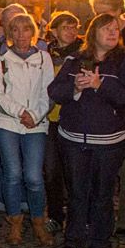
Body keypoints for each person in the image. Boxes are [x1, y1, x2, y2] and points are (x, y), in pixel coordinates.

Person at [48, 13, 125, 248]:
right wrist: (75, 88)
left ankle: (100, 242)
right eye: (106, 29)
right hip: (74, 138)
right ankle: (74, 239)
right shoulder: (76, 58)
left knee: (103, 192)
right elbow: (55, 91)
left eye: (115, 30)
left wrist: (101, 85)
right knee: (77, 191)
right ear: (93, 33)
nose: (112, 33)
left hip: (110, 140)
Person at [0, 13, 55, 246]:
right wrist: (21, 113)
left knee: (34, 176)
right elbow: (0, 95)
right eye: (15, 30)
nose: (21, 35)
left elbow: (48, 91)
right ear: (9, 34)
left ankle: (38, 221)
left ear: (33, 32)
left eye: (25, 30)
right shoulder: (1, 60)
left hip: (36, 122)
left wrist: (35, 115)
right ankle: (15, 221)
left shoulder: (43, 58)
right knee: (13, 174)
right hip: (8, 121)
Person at [43, 12, 83, 232]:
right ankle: (56, 214)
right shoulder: (45, 54)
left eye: (74, 26)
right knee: (51, 170)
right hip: (50, 119)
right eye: (65, 27)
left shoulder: (82, 54)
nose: (70, 31)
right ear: (54, 31)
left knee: (74, 171)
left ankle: (77, 217)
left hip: (72, 118)